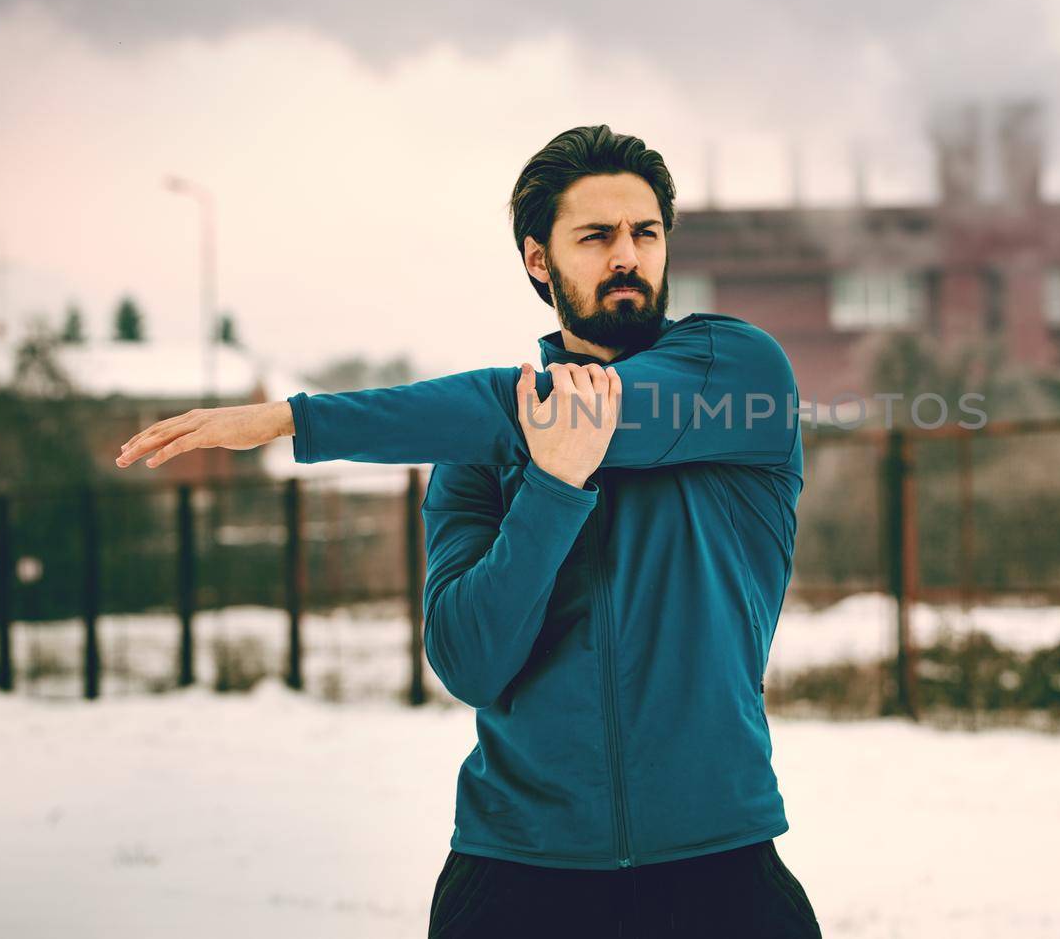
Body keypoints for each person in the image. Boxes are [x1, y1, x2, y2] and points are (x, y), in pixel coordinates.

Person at [114, 124, 823, 938]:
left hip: (719, 873)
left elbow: (548, 405)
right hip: (516, 879)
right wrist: (553, 488)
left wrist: (288, 419)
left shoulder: (733, 376)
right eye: (595, 236)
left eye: (646, 233)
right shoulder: (480, 454)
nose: (627, 255)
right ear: (538, 259)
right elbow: (471, 660)